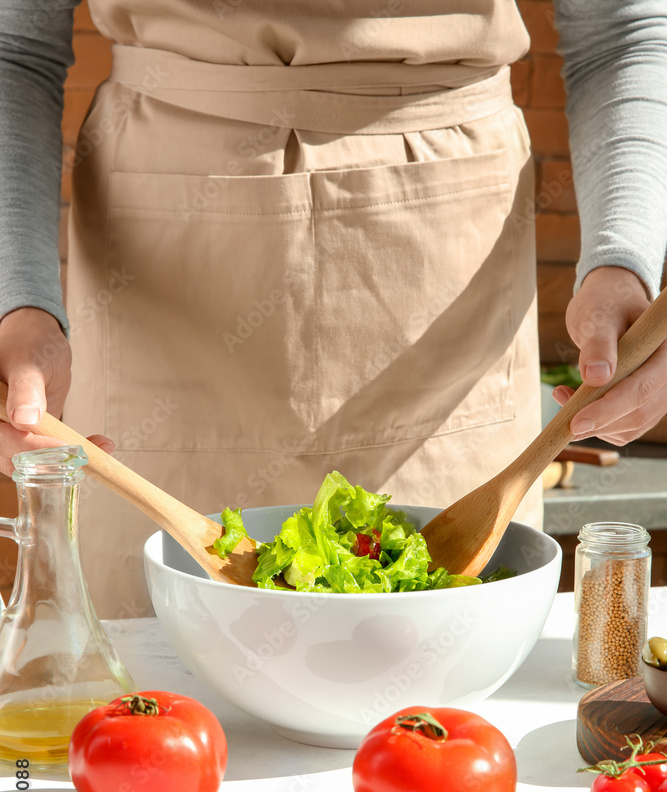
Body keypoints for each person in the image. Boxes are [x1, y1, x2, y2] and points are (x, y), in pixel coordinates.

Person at [0, 1, 665, 618]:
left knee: (437, 686)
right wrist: (19, 303)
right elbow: (14, 47)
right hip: (163, 268)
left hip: (446, 272)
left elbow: (621, 32)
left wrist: (621, 258)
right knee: (150, 693)